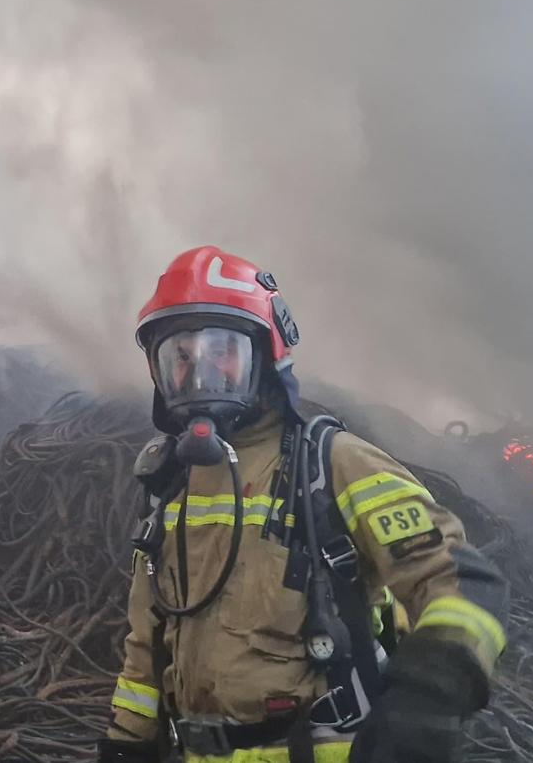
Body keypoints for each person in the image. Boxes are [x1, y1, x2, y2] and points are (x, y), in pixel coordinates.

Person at [98, 246, 509, 763]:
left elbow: (463, 582)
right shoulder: (169, 486)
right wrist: (126, 742)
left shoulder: (331, 465)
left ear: (266, 357)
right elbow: (147, 647)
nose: (199, 372)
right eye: (179, 355)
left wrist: (425, 701)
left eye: (221, 350)